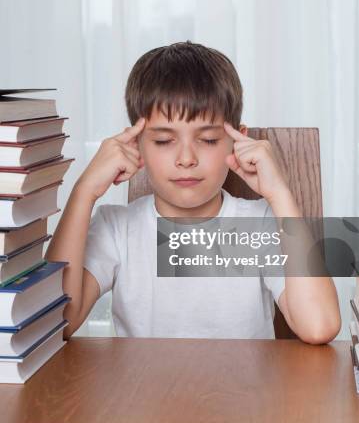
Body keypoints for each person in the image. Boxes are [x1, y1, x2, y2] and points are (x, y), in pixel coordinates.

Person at [46, 41, 341, 342]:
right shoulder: (116, 228)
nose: (186, 159)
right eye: (163, 141)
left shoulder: (260, 223)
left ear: (238, 140)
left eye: (209, 140)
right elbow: (55, 323)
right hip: (143, 389)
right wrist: (83, 192)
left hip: (244, 389)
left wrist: (280, 195)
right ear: (135, 144)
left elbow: (320, 326)